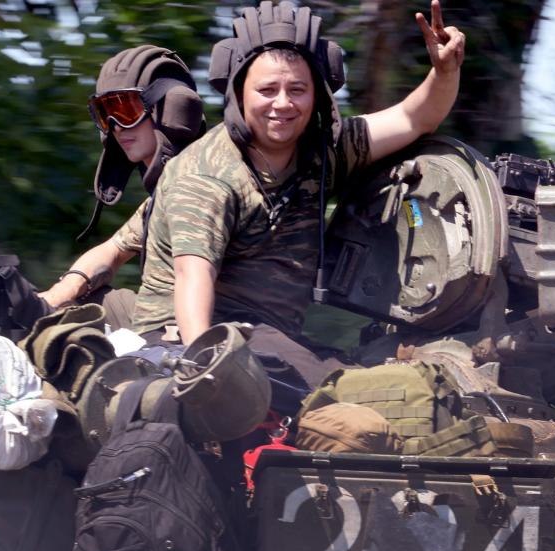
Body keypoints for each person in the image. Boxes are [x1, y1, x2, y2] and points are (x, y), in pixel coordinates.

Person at [127, 1, 465, 397]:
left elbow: (414, 118)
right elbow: (192, 276)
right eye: (267, 90)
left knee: (383, 375)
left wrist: (444, 71)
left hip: (270, 336)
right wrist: (205, 366)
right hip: (193, 337)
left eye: (298, 90)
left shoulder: (325, 151)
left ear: (317, 95)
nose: (283, 104)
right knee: (366, 397)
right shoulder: (209, 175)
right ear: (239, 93)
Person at [38, 46, 205, 329]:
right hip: (163, 319)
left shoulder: (199, 186)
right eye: (105, 113)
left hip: (197, 329)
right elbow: (112, 250)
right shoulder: (162, 195)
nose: (116, 126)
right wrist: (50, 299)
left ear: (171, 109)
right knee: (73, 305)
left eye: (126, 109)